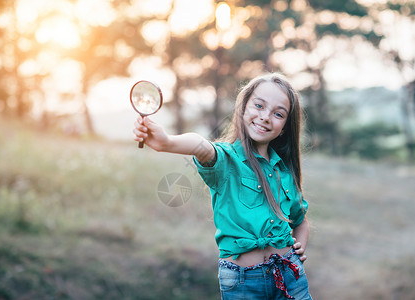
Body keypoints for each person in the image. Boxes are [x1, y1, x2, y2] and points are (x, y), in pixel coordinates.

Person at [133, 72, 312, 299]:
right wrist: (167, 142)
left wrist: (299, 247)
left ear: (285, 126)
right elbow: (201, 146)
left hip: (291, 275)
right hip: (243, 283)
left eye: (278, 113)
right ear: (243, 108)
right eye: (259, 105)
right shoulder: (226, 160)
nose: (266, 117)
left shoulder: (284, 171)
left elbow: (300, 220)